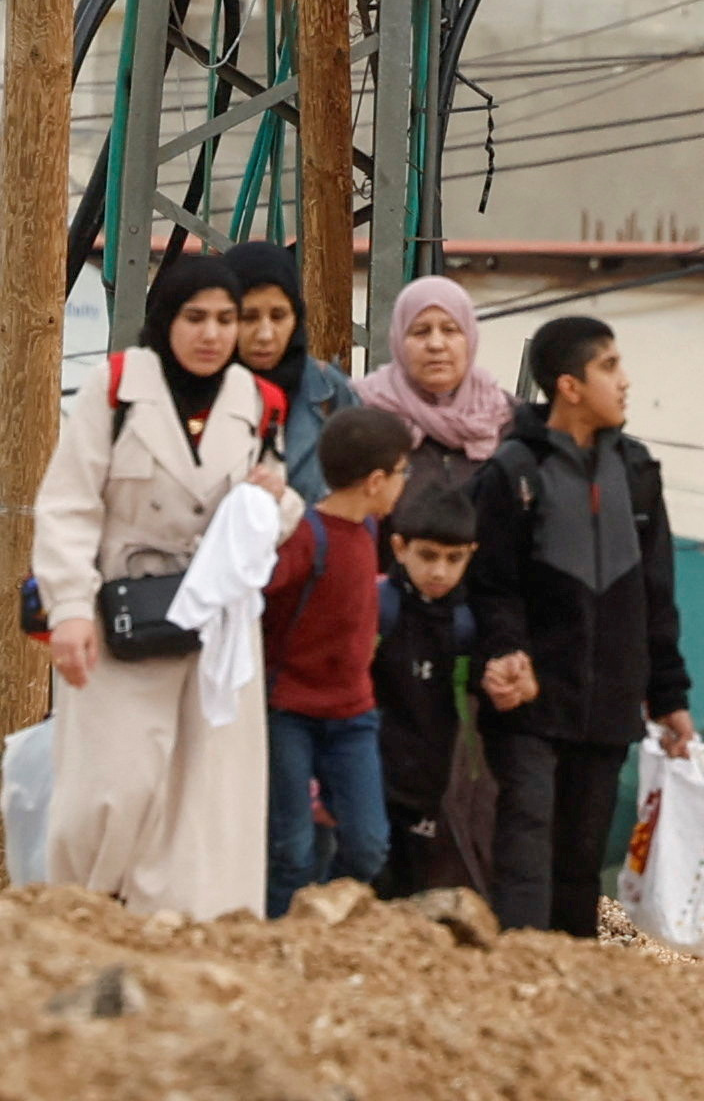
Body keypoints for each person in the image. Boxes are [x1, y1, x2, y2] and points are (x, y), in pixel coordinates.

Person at [32, 254, 302, 918]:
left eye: (225, 320)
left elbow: (280, 511)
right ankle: (82, 911)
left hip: (215, 628)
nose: (212, 334)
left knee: (204, 794)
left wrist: (274, 501)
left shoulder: (258, 402)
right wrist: (67, 608)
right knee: (109, 785)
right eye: (195, 318)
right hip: (121, 615)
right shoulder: (118, 387)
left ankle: (185, 928)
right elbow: (69, 506)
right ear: (166, 319)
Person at [469, 315, 692, 936]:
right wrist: (507, 652)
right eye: (610, 367)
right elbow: (490, 583)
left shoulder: (640, 475)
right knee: (526, 843)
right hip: (529, 706)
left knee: (579, 856)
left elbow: (657, 594)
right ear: (569, 385)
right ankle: (518, 980)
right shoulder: (512, 472)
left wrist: (669, 698)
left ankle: (569, 993)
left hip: (609, 707)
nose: (625, 382)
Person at [259, 406, 412, 916]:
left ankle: (323, 919)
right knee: (292, 850)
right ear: (375, 481)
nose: (403, 485)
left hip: (352, 718)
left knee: (369, 845)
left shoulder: (368, 534)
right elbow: (261, 603)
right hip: (291, 716)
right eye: (402, 473)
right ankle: (281, 942)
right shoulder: (306, 539)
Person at [370, 477, 488, 898]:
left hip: (429, 783)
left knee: (411, 884)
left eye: (454, 558)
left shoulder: (465, 626)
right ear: (399, 548)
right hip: (372, 772)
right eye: (428, 555)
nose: (440, 571)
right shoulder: (378, 607)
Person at [354, 274, 513, 508]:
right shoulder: (363, 413)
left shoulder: (505, 416)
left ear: (470, 337)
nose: (436, 344)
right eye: (420, 332)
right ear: (398, 339)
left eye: (450, 330)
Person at [226, 242, 353, 502]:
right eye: (248, 317)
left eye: (279, 316)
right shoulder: (197, 389)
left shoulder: (328, 390)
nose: (265, 334)